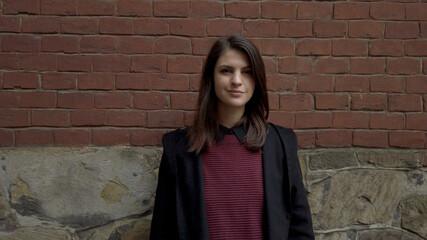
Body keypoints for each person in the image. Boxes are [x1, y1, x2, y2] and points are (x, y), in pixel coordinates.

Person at [149, 34, 314, 240]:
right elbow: (163, 232)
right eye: (226, 71)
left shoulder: (280, 143)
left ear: (257, 80)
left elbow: (300, 230)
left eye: (247, 72)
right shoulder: (179, 149)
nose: (237, 81)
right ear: (211, 77)